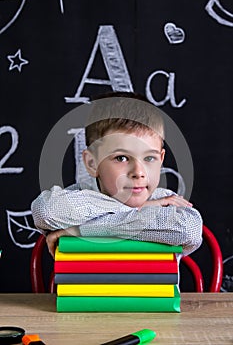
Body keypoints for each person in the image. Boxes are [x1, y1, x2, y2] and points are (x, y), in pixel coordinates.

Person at [31, 92, 202, 258]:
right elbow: (46, 211)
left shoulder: (166, 200)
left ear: (161, 159)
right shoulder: (81, 196)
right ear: (92, 163)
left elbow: (190, 231)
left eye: (149, 158)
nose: (138, 172)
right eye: (121, 158)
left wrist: (82, 230)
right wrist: (140, 209)